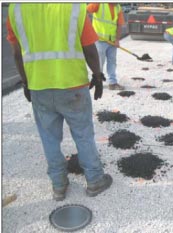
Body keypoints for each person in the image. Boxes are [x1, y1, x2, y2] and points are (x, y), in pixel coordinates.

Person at [7, 3, 112, 201]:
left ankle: (59, 185)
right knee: (83, 135)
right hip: (73, 86)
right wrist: (97, 76)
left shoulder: (16, 8)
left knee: (49, 139)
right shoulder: (74, 7)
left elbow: (16, 53)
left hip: (39, 87)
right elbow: (89, 48)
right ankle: (95, 181)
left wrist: (25, 83)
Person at [87, 3, 125, 90]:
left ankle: (112, 83)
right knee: (99, 62)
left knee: (112, 62)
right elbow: (84, 12)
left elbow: (119, 25)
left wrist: (117, 40)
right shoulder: (99, 3)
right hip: (99, 40)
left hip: (112, 42)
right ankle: (98, 82)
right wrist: (88, 27)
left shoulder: (118, 7)